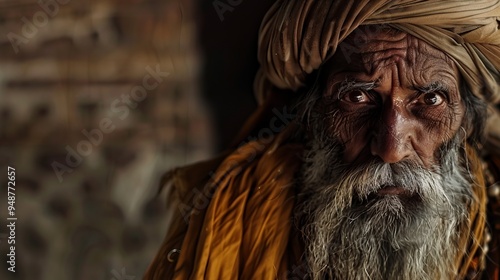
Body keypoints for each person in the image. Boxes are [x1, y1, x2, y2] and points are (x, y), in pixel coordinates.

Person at [144, 0, 500, 279]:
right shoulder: (232, 220)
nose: (390, 149)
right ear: (312, 117)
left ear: (465, 120)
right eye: (357, 98)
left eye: (430, 100)